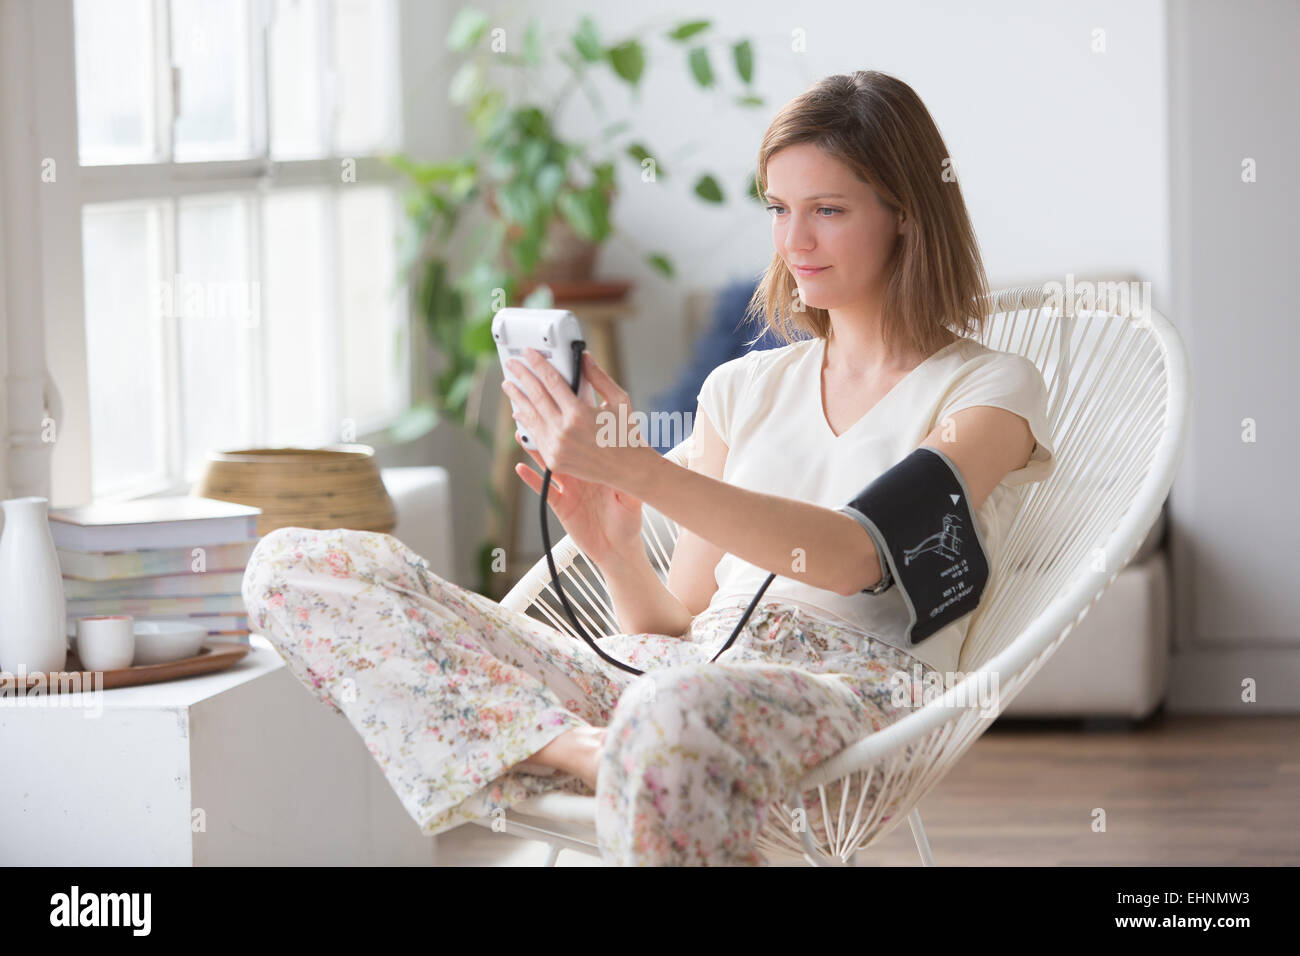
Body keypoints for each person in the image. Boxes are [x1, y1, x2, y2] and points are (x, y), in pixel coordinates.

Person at [242, 69, 1057, 866]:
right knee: (296, 566)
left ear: (907, 216)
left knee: (667, 715)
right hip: (678, 683)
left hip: (848, 701)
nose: (793, 242)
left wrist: (641, 471)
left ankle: (609, 746)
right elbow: (680, 627)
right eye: (778, 209)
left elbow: (857, 555)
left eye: (828, 211)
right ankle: (574, 748)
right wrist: (616, 545)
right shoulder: (744, 386)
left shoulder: (988, 390)